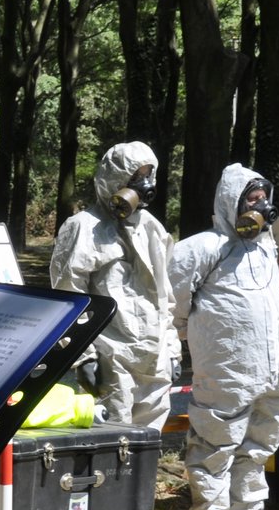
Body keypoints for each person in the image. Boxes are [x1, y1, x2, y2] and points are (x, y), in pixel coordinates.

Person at [169, 165, 279, 510]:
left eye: (263, 198)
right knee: (216, 437)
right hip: (226, 365)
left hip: (272, 366)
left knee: (261, 439)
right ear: (232, 202)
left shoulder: (266, 245)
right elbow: (174, 301)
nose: (260, 206)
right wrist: (186, 338)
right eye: (251, 199)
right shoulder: (200, 247)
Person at [50, 141, 181, 431]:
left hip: (154, 357)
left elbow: (164, 296)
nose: (143, 184)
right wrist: (82, 356)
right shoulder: (83, 227)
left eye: (148, 175)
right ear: (114, 177)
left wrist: (171, 349)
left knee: (148, 445)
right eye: (135, 177)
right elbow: (68, 296)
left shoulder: (152, 227)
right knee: (113, 448)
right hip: (111, 356)